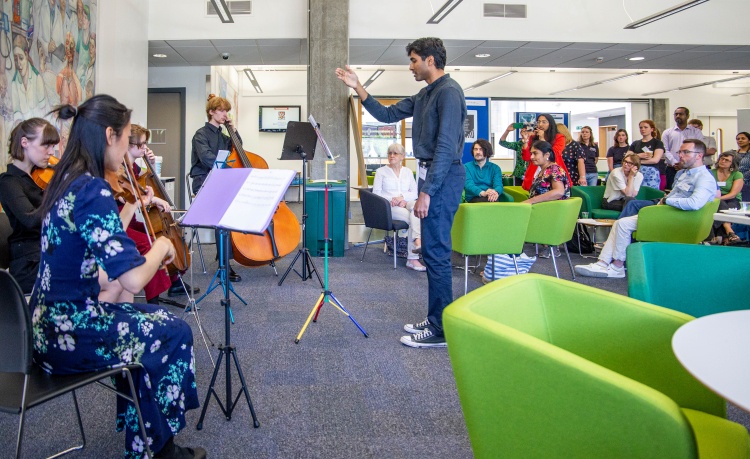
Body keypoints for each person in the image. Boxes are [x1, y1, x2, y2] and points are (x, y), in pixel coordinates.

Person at [30, 95, 205, 459]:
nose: (128, 149)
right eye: (127, 138)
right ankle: (159, 449)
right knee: (174, 332)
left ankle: (150, 443)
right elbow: (134, 281)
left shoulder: (67, 181)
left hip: (47, 328)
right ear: (110, 135)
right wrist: (160, 247)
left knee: (155, 326)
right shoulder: (91, 189)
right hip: (71, 333)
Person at [336, 37, 466, 348]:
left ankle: (441, 329)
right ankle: (438, 317)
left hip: (444, 176)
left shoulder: (449, 92)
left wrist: (426, 193)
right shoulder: (426, 94)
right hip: (430, 174)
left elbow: (447, 148)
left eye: (413, 60)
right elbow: (386, 114)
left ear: (430, 61)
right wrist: (358, 86)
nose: (411, 66)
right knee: (432, 250)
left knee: (435, 251)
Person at [575, 139, 717, 279]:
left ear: (699, 155)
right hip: (667, 214)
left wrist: (668, 200)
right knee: (620, 223)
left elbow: (694, 203)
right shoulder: (684, 174)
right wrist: (665, 201)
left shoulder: (704, 177)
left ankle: (617, 266)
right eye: (680, 152)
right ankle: (603, 263)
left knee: (623, 223)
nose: (680, 155)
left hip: (680, 220)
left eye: (686, 152)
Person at [123, 124, 199, 302]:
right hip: (121, 221)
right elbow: (129, 195)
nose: (144, 148)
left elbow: (145, 180)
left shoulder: (133, 167)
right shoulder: (119, 168)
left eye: (144, 144)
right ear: (127, 145)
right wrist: (156, 200)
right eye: (140, 145)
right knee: (149, 243)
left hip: (131, 220)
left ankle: (174, 281)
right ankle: (153, 298)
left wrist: (151, 165)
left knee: (165, 237)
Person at [0, 118, 59, 293]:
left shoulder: (40, 177)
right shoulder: (8, 181)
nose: (51, 152)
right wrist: (56, 192)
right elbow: (30, 219)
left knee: (113, 277)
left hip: (50, 253)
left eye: (52, 146)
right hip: (31, 263)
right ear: (24, 142)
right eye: (46, 146)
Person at [189, 94, 241, 282]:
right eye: (220, 110)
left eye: (226, 111)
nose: (224, 114)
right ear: (211, 112)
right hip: (203, 181)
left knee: (231, 214)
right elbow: (207, 158)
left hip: (219, 180)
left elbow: (238, 148)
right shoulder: (200, 134)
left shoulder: (223, 135)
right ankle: (224, 265)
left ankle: (225, 259)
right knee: (223, 217)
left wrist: (233, 130)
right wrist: (227, 165)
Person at [372, 143, 425, 271]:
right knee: (413, 217)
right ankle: (413, 256)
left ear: (402, 156)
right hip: (390, 207)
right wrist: (394, 200)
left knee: (416, 210)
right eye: (390, 153)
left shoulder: (407, 172)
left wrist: (402, 198)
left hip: (407, 201)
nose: (391, 156)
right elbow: (376, 194)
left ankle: (416, 244)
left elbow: (414, 192)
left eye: (395, 153)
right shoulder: (381, 172)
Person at [524, 140, 572, 258]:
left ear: (547, 155)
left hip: (550, 213)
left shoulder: (554, 169)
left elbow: (559, 192)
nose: (531, 157)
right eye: (531, 154)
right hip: (542, 211)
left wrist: (531, 201)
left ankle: (510, 252)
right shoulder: (543, 170)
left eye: (535, 153)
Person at [520, 114, 568, 190]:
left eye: (544, 122)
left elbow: (554, 154)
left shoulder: (559, 137)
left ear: (550, 123)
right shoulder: (533, 137)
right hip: (535, 169)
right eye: (538, 122)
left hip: (553, 170)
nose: (540, 124)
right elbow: (526, 157)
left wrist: (542, 138)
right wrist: (525, 140)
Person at [662, 107, 703, 190]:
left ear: (687, 116)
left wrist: (685, 163)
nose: (678, 116)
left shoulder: (696, 132)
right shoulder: (667, 132)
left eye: (681, 114)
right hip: (672, 168)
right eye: (676, 114)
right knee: (672, 190)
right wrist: (675, 163)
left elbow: (699, 149)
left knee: (690, 190)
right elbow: (665, 149)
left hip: (691, 168)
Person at [710, 151, 743, 244]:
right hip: (715, 197)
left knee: (724, 206)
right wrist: (716, 199)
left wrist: (717, 199)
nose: (723, 161)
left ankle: (719, 237)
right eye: (722, 158)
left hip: (732, 198)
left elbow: (733, 194)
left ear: (732, 164)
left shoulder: (737, 174)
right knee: (720, 205)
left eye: (727, 160)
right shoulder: (711, 172)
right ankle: (729, 233)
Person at [629, 119, 665, 190]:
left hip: (651, 172)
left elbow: (655, 160)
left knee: (650, 192)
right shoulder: (635, 143)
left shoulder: (657, 143)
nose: (643, 129)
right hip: (636, 171)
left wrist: (637, 161)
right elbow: (628, 157)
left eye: (645, 127)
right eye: (641, 127)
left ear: (652, 129)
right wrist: (638, 156)